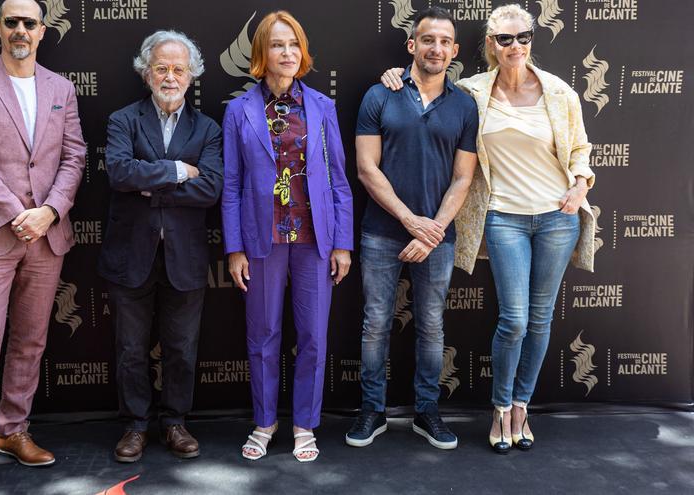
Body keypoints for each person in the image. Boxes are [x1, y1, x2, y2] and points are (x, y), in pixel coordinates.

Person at [380, 3, 597, 454]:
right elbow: (428, 87)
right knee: (514, 320)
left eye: (523, 37)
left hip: (558, 217)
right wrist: (394, 78)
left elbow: (579, 148)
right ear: (490, 46)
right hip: (502, 217)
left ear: (531, 40)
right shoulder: (472, 90)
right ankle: (499, 407)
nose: (515, 46)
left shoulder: (559, 92)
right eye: (505, 39)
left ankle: (521, 405)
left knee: (540, 319)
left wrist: (579, 185)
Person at [0, 0, 86, 493]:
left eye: (30, 22)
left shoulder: (61, 88)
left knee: (30, 340)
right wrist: (14, 213)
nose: (21, 30)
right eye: (12, 22)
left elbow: (75, 156)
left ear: (43, 31)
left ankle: (13, 431)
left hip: (47, 236)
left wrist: (49, 212)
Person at [222, 10, 354, 463]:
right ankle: (264, 421)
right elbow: (233, 184)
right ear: (261, 53)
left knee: (314, 335)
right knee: (263, 334)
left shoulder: (321, 106)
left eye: (294, 44)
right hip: (262, 239)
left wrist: (342, 242)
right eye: (278, 45)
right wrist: (234, 246)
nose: (288, 53)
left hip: (314, 240)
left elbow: (338, 178)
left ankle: (304, 423)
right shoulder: (239, 111)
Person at [346, 7, 478, 451]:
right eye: (427, 40)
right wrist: (409, 221)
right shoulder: (379, 96)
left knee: (432, 326)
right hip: (382, 232)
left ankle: (427, 411)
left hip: (437, 238)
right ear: (412, 46)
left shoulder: (464, 104)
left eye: (444, 42)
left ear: (454, 51)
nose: (436, 48)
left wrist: (433, 229)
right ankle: (371, 411)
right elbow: (366, 169)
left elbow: (464, 177)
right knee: (375, 323)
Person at [97, 30, 223, 463]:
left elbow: (211, 189)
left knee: (182, 350)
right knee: (131, 350)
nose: (170, 77)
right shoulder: (122, 120)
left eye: (178, 69)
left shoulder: (207, 128)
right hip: (130, 255)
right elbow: (118, 173)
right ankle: (134, 427)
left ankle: (174, 423)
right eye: (161, 68)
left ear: (192, 76)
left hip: (184, 258)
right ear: (145, 72)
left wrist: (151, 184)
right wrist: (176, 170)